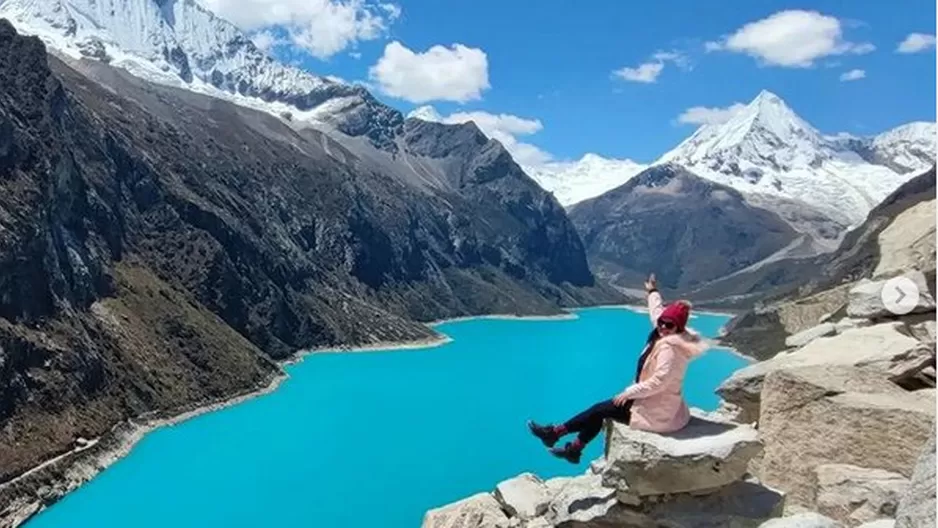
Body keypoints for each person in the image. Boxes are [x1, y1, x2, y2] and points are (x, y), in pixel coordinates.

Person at [527, 274, 709, 464]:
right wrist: (652, 291)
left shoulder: (670, 349)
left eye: (668, 325)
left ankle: (556, 434)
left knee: (599, 410)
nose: (662, 326)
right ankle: (571, 448)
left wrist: (629, 393)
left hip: (656, 410)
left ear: (678, 329)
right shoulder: (664, 331)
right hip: (649, 399)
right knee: (600, 411)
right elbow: (657, 313)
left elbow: (659, 381)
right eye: (662, 322)